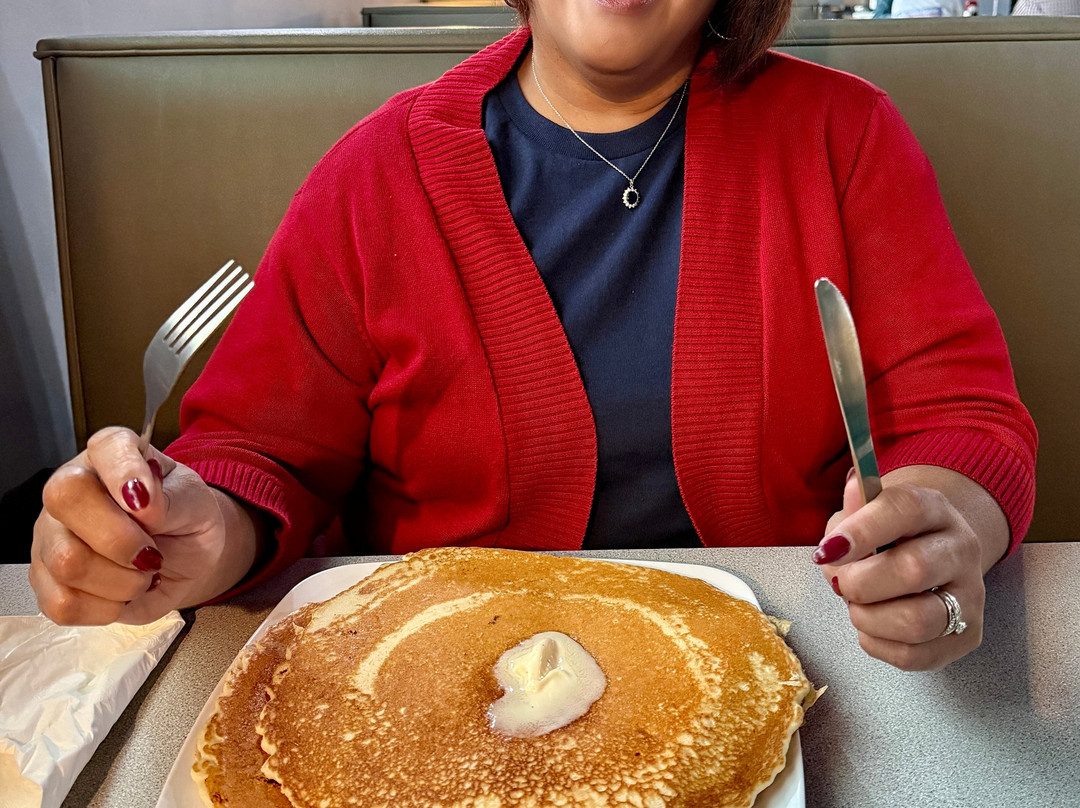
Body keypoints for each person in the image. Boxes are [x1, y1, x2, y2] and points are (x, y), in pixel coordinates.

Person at [29, 0, 1036, 672]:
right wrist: (197, 528)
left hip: (788, 661)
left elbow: (963, 420)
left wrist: (939, 529)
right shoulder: (376, 175)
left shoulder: (844, 138)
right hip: (434, 673)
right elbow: (257, 452)